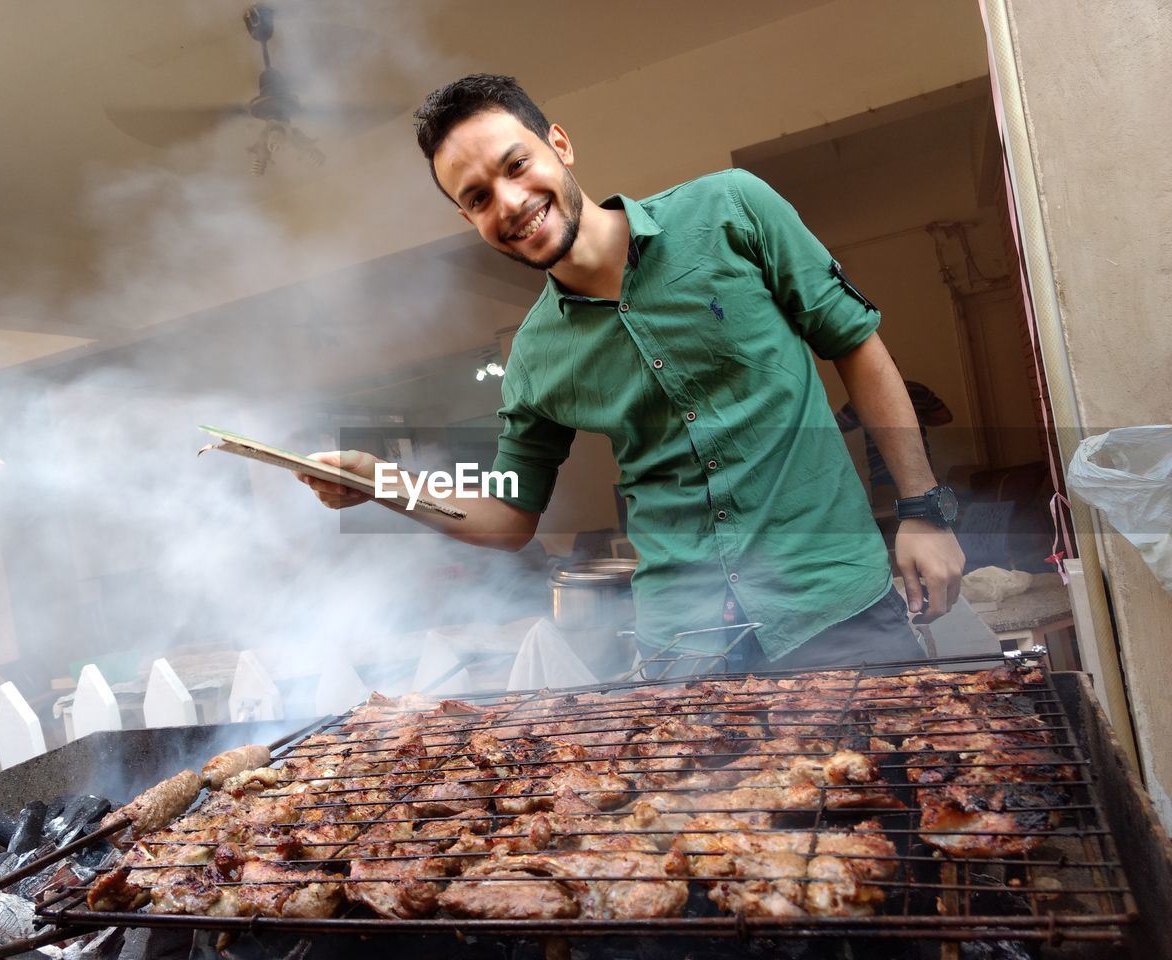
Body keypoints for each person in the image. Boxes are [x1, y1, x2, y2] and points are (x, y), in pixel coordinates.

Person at [297, 74, 964, 671]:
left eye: (516, 165)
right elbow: (510, 517)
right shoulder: (533, 356)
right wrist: (381, 482)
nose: (508, 201)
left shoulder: (732, 208)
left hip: (835, 610)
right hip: (686, 651)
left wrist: (923, 510)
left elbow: (854, 344)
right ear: (469, 218)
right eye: (477, 197)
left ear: (560, 144)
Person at [835, 370, 953, 510]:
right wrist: (916, 419)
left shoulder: (864, 397)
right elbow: (944, 416)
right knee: (929, 521)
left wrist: (867, 419)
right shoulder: (917, 390)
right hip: (922, 472)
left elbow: (835, 426)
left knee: (892, 521)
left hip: (884, 475)